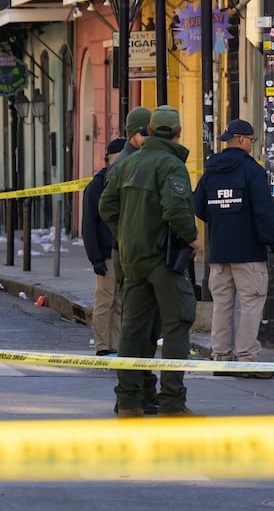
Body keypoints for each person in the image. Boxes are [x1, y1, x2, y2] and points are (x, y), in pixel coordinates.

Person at [99, 105, 200, 419]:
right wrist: (192, 238)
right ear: (178, 133)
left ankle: (128, 401)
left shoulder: (127, 164)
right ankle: (172, 401)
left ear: (151, 131)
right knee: (177, 324)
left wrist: (125, 235)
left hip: (132, 260)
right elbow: (175, 209)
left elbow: (107, 206)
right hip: (162, 258)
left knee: (132, 328)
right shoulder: (171, 165)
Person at [193, 117, 274, 376]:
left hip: (219, 252)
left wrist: (219, 220)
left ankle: (220, 356)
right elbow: (264, 213)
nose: (253, 145)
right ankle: (247, 358)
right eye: (252, 141)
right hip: (248, 253)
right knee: (252, 303)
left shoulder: (211, 170)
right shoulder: (252, 171)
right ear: (243, 141)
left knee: (222, 304)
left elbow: (197, 205)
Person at [82, 137, 126, 356]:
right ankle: (102, 346)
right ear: (109, 158)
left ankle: (116, 346)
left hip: (121, 253)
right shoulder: (97, 185)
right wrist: (95, 258)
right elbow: (88, 223)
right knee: (105, 301)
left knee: (119, 302)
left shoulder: (123, 179)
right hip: (106, 254)